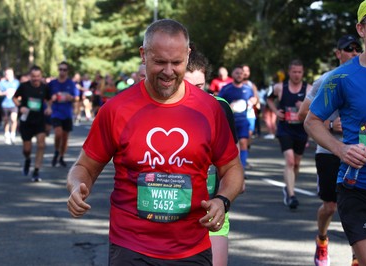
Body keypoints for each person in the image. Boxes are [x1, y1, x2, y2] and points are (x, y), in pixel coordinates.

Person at [67, 19, 244, 265]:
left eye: (177, 62)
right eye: (160, 62)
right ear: (143, 55)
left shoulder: (210, 109)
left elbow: (233, 169)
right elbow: (84, 166)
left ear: (188, 54)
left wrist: (222, 200)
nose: (168, 71)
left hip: (192, 247)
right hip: (131, 246)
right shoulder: (116, 109)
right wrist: (77, 186)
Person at [304, 1, 366, 264]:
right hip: (358, 188)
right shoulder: (340, 78)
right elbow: (311, 120)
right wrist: (341, 149)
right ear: (361, 29)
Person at [298, 35, 361, 266]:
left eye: (356, 49)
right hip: (328, 152)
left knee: (357, 206)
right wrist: (330, 125)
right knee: (330, 206)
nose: (353, 53)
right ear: (338, 53)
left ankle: (357, 256)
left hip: (360, 153)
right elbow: (303, 114)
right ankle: (322, 239)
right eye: (348, 49)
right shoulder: (327, 79)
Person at [184, 44, 240, 266]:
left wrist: (229, 190)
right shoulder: (164, 109)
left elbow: (231, 160)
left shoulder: (219, 107)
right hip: (174, 208)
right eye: (189, 86)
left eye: (200, 85)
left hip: (212, 205)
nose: (196, 93)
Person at [266, 59, 312, 209]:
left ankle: (288, 187)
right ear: (289, 72)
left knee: (297, 163)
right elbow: (268, 98)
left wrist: (304, 107)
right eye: (294, 72)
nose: (297, 75)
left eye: (299, 72)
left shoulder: (309, 89)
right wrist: (275, 111)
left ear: (303, 73)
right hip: (285, 129)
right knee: (290, 161)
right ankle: (291, 195)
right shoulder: (280, 87)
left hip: (301, 130)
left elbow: (317, 107)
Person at [13, 65, 51, 182]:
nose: (35, 79)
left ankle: (36, 170)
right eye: (33, 76)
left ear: (41, 76)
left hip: (40, 120)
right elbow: (14, 98)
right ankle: (28, 159)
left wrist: (49, 108)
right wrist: (20, 106)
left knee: (41, 145)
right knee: (27, 149)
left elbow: (49, 99)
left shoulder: (45, 88)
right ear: (30, 76)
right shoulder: (24, 87)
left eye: (38, 76)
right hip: (26, 121)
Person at [218, 65, 257, 176]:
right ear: (232, 74)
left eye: (241, 73)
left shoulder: (248, 89)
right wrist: (230, 106)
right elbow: (218, 102)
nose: (239, 75)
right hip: (230, 121)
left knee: (244, 143)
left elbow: (253, 99)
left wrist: (253, 101)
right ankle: (229, 170)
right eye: (237, 73)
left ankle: (242, 169)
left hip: (243, 121)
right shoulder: (226, 89)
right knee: (232, 147)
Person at [48, 61, 79, 168]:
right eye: (60, 69)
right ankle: (56, 151)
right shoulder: (52, 83)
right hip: (56, 112)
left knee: (65, 138)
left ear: (67, 71)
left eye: (64, 70)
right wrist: (51, 100)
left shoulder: (71, 84)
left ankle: (61, 156)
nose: (62, 71)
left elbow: (77, 98)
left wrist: (71, 98)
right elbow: (46, 97)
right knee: (58, 133)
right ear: (58, 70)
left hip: (67, 113)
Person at [0, 68, 20, 144]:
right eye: (7, 74)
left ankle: (13, 134)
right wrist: (4, 93)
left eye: (10, 74)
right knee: (6, 120)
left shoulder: (17, 83)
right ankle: (6, 134)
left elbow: (21, 93)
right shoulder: (2, 83)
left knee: (14, 119)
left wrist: (19, 98)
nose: (8, 75)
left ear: (13, 74)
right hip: (5, 104)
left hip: (14, 104)